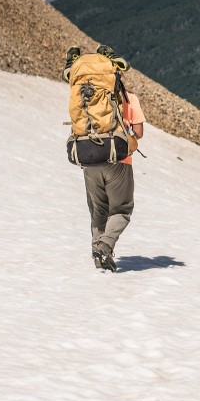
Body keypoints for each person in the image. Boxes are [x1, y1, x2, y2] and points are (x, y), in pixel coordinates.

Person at [68, 45, 146, 272]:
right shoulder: (128, 99)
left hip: (88, 155)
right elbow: (138, 133)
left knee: (98, 210)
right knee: (121, 210)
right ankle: (104, 247)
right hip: (119, 160)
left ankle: (98, 257)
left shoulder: (84, 97)